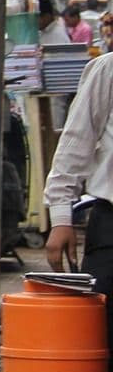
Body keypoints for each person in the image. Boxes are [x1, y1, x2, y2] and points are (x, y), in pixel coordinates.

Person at [45, 49, 113, 351]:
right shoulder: (108, 69)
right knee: (101, 335)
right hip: (111, 222)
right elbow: (75, 142)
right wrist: (61, 218)